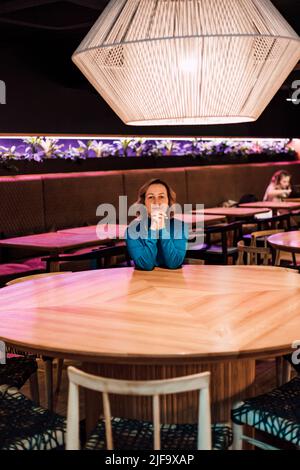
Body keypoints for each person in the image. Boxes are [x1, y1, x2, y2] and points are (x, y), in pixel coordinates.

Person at [126, 179, 188, 271]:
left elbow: (174, 263)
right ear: (143, 203)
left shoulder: (180, 227)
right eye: (151, 197)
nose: (156, 202)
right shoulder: (132, 230)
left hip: (174, 282)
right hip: (143, 283)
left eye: (161, 197)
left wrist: (162, 228)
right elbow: (146, 265)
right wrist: (154, 229)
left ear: (169, 202)